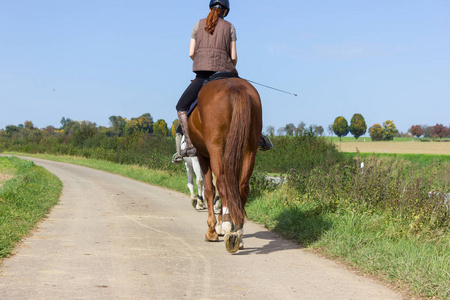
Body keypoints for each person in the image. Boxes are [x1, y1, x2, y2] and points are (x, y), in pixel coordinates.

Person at [173, 0, 271, 163]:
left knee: (181, 107)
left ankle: (189, 146)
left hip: (203, 76)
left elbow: (191, 53)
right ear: (225, 12)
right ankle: (259, 137)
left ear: (210, 8)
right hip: (226, 73)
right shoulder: (230, 27)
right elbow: (233, 57)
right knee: (247, 98)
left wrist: (203, 60)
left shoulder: (198, 25)